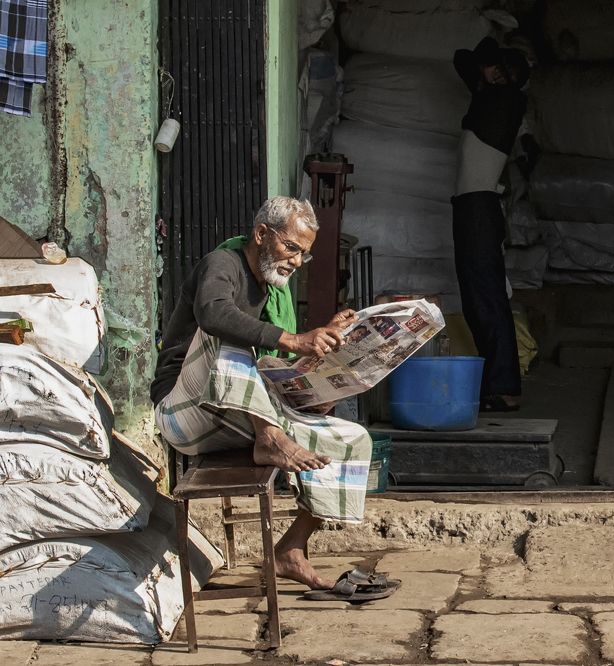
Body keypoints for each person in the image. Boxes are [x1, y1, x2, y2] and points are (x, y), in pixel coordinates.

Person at [152, 196, 396, 600]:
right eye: (291, 248)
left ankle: (291, 549)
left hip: (234, 415)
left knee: (352, 439)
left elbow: (274, 368)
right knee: (230, 338)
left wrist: (319, 376)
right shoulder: (222, 264)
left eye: (305, 254)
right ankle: (270, 438)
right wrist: (296, 340)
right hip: (184, 410)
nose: (297, 261)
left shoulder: (271, 287)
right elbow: (213, 315)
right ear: (262, 234)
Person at [452, 36, 530, 412]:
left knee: (486, 297)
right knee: (475, 299)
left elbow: (470, 58)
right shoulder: (489, 95)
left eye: (506, 72)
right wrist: (489, 66)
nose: (497, 75)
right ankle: (495, 384)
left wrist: (493, 66)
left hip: (480, 209)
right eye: (497, 69)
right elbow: (464, 58)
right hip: (470, 207)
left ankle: (505, 386)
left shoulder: (508, 101)